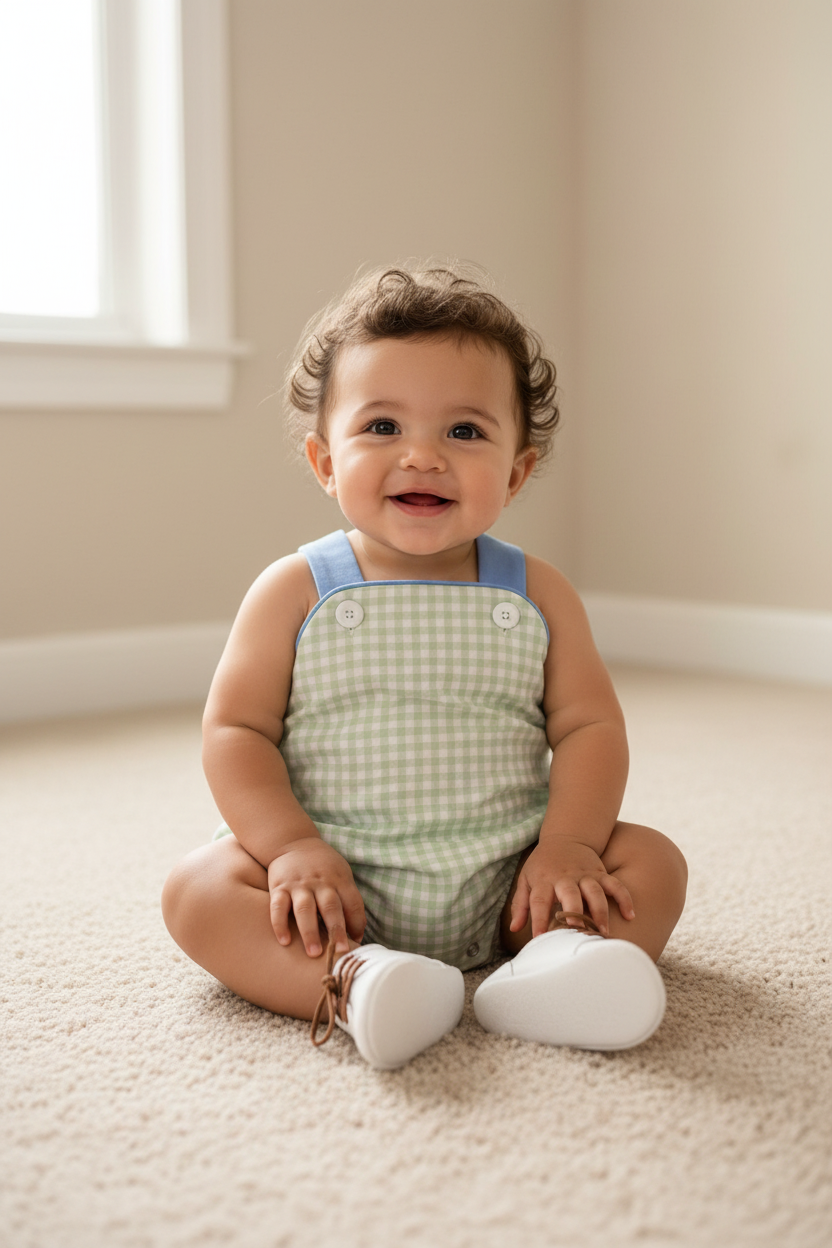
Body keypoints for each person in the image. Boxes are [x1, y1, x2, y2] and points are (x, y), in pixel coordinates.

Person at [161, 264, 688, 1070]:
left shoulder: (537, 591)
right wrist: (292, 846)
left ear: (516, 471)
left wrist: (570, 846)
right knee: (197, 891)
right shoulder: (296, 588)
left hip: (517, 879)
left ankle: (550, 972)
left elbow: (589, 725)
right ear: (325, 462)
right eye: (380, 427)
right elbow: (235, 730)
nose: (421, 456)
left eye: (465, 432)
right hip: (335, 886)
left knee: (652, 861)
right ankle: (356, 980)